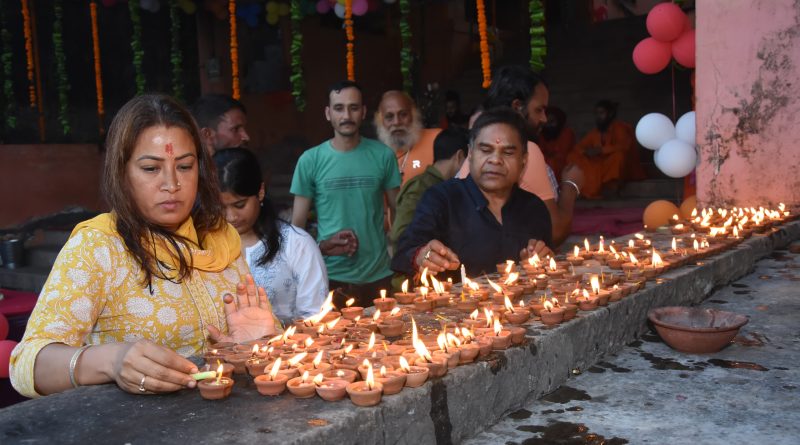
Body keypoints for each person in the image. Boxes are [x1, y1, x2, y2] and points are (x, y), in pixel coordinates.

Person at [10, 94, 280, 398]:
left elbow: (268, 343)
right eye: (151, 168)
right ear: (122, 172)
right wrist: (111, 361)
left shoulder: (219, 238)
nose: (172, 184)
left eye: (185, 166)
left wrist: (257, 344)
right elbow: (26, 365)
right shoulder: (100, 247)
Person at [392, 107, 553, 278]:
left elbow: (546, 265)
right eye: (485, 150)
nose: (495, 160)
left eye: (507, 152)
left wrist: (540, 261)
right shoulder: (442, 199)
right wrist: (421, 256)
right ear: (470, 154)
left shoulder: (534, 209)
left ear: (523, 161)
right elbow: (403, 253)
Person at [291, 81, 401, 308]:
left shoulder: (384, 156)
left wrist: (401, 259)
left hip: (379, 275)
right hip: (330, 276)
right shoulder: (310, 160)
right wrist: (319, 249)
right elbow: (297, 228)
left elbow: (399, 212)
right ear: (328, 113)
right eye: (339, 108)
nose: (346, 115)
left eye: (353, 108)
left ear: (363, 112)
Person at [456, 65, 584, 247]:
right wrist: (571, 186)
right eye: (539, 110)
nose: (544, 118)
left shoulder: (479, 151)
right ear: (517, 106)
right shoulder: (525, 152)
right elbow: (554, 233)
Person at [214, 148, 328, 327]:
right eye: (220, 207)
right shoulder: (202, 246)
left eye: (240, 205)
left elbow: (314, 316)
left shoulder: (296, 244)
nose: (231, 216)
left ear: (260, 192)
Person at [390, 127, 468, 249]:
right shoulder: (421, 187)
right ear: (460, 156)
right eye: (469, 160)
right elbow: (400, 234)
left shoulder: (444, 186)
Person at [568, 100, 643, 199]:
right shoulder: (595, 132)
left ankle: (611, 187)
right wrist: (585, 152)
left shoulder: (620, 128)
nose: (598, 116)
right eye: (596, 113)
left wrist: (601, 150)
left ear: (610, 114)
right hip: (601, 164)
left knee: (619, 155)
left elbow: (624, 145)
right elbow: (579, 146)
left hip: (620, 165)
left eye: (601, 113)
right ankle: (587, 189)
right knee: (573, 156)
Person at [375, 90, 441, 185]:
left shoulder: (437, 139)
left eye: (403, 114)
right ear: (380, 121)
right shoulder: (375, 156)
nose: (397, 122)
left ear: (414, 115)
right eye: (389, 117)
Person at [539, 106, 575, 182]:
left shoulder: (567, 133)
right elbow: (540, 152)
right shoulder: (542, 134)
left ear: (559, 121)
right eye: (547, 122)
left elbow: (562, 153)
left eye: (552, 121)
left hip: (565, 165)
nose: (548, 125)